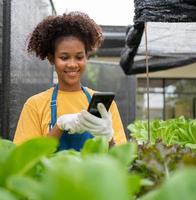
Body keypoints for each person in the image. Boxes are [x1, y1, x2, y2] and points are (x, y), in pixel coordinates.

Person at [13, 11, 126, 151]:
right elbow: (24, 158)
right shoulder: (35, 105)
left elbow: (121, 160)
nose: (72, 64)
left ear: (86, 57)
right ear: (51, 58)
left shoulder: (104, 107)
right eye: (64, 57)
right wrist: (58, 127)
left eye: (79, 57)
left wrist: (109, 138)